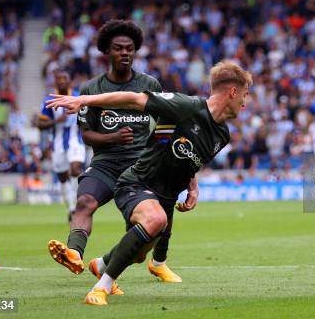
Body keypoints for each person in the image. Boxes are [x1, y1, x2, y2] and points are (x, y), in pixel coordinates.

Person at [46, 61, 252, 305]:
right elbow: (133, 99)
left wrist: (192, 186)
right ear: (232, 92)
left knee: (139, 255)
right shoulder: (186, 106)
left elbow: (188, 158)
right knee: (155, 220)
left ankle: (101, 264)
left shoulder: (222, 135)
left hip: (165, 196)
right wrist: (84, 101)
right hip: (137, 181)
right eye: (245, 95)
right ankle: (100, 289)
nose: (245, 102)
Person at [46, 20, 185, 287]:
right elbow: (86, 134)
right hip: (105, 164)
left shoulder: (149, 83)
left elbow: (166, 122)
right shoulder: (90, 89)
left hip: (141, 167)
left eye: (130, 49)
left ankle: (135, 264)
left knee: (142, 235)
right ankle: (74, 252)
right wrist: (113, 137)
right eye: (119, 48)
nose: (125, 53)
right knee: (85, 201)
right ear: (106, 52)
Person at [36, 69, 85, 220]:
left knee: (75, 169)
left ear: (70, 80)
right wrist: (56, 121)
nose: (63, 81)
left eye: (65, 78)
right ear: (55, 81)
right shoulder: (49, 100)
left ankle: (78, 207)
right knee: (63, 178)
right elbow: (40, 124)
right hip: (58, 145)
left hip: (76, 141)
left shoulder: (78, 97)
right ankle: (71, 209)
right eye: (59, 79)